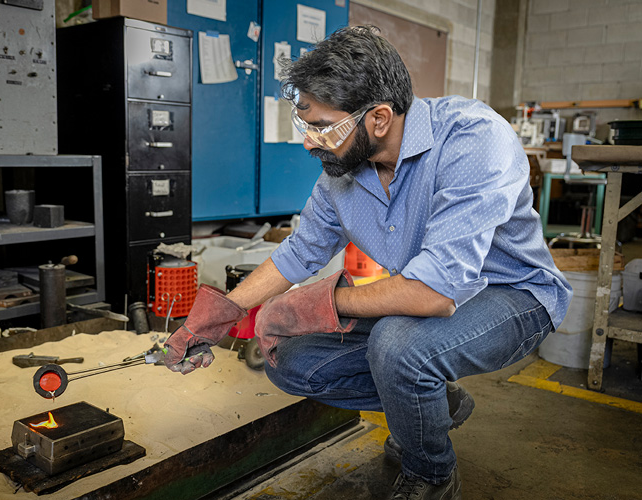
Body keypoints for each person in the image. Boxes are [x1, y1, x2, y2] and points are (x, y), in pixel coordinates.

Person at [163, 25, 572, 500]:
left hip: (512, 294)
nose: (310, 143)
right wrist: (224, 312)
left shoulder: (473, 138)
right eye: (306, 126)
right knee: (290, 361)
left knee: (398, 349)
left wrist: (318, 304)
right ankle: (428, 404)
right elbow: (301, 252)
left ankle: (430, 474)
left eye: (322, 128)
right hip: (421, 299)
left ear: (379, 118)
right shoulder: (343, 171)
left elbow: (435, 293)